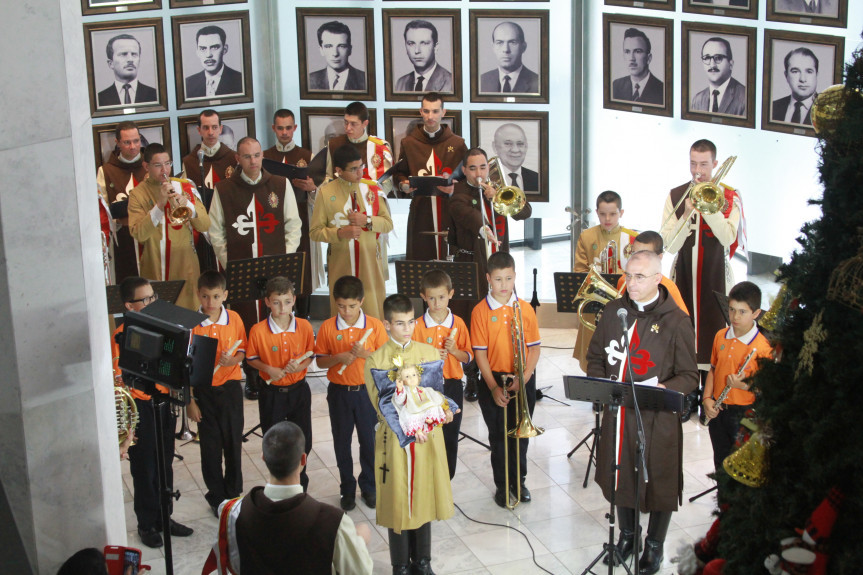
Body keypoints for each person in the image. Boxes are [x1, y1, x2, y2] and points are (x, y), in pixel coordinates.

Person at [587, 251, 698, 575]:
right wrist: (600, 382)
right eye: (627, 275)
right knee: (621, 475)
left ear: (657, 280)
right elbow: (595, 356)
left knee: (659, 480)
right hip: (619, 413)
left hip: (657, 418)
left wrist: (663, 390)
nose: (629, 283)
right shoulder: (612, 312)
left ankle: (653, 546)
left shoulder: (676, 321)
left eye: (638, 277)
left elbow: (690, 375)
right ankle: (629, 537)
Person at [364, 294, 455, 575]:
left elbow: (435, 393)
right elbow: (381, 407)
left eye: (410, 322)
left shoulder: (428, 354)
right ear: (386, 324)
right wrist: (410, 427)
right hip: (396, 440)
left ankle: (423, 562)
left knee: (424, 494)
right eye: (399, 323)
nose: (407, 329)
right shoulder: (375, 360)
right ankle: (400, 564)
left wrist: (441, 410)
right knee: (399, 498)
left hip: (427, 440)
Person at [209, 421, 373, 575]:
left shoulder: (233, 512)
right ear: (303, 459)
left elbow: (235, 565)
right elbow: (360, 571)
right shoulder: (334, 523)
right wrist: (359, 541)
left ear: (263, 457)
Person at [209, 136, 303, 398]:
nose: (253, 161)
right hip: (241, 268)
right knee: (248, 319)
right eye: (247, 156)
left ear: (263, 156)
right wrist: (231, 265)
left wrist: (284, 260)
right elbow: (215, 231)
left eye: (257, 155)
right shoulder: (224, 189)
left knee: (275, 314)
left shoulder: (280, 184)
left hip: (275, 265)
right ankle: (252, 373)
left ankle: (277, 366)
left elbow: (293, 225)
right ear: (237, 159)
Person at [111, 277, 194, 548]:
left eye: (153, 297)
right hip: (139, 409)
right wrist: (129, 429)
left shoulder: (165, 330)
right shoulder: (120, 337)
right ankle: (146, 524)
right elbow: (119, 381)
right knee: (145, 468)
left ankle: (164, 516)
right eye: (144, 300)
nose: (151, 303)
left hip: (162, 402)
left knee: (165, 462)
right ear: (129, 306)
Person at [448, 148, 532, 401]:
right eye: (472, 168)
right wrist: (483, 225)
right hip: (472, 263)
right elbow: (464, 212)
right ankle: (472, 376)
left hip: (500, 265)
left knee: (506, 315)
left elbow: (524, 212)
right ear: (464, 170)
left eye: (482, 167)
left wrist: (497, 198)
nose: (478, 173)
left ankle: (509, 369)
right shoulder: (459, 193)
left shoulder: (497, 188)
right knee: (473, 319)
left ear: (488, 167)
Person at [660, 139, 742, 386]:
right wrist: (685, 214)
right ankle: (685, 393)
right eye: (693, 163)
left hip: (716, 276)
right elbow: (669, 245)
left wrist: (709, 208)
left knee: (715, 333)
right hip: (683, 274)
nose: (698, 171)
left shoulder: (729, 196)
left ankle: (710, 393)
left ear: (715, 164)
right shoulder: (675, 195)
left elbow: (728, 237)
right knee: (682, 331)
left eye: (704, 165)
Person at [471, 251, 541, 508]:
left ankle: (519, 481)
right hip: (494, 379)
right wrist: (492, 387)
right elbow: (479, 353)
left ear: (515, 277)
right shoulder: (480, 311)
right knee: (498, 436)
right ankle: (502, 485)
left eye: (508, 279)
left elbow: (534, 348)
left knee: (520, 434)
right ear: (488, 278)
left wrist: (523, 378)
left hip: (522, 378)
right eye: (498, 279)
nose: (503, 285)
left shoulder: (524, 309)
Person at [314, 276, 388, 512]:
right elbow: (320, 362)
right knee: (341, 442)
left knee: (369, 441)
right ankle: (347, 487)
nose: (347, 312)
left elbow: (387, 361)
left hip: (367, 392)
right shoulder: (327, 327)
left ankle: (369, 486)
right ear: (335, 302)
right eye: (342, 306)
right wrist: (338, 357)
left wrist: (366, 354)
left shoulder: (375, 326)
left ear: (362, 301)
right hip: (339, 393)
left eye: (352, 306)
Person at [245, 276, 315, 490]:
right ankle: (278, 483)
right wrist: (268, 369)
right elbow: (250, 358)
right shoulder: (258, 330)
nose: (282, 307)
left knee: (304, 439)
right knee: (273, 440)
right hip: (272, 393)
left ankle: (300, 482)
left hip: (298, 391)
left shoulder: (303, 326)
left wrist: (301, 366)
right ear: (267, 302)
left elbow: (311, 355)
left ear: (293, 300)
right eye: (276, 302)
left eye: (286, 301)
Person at [187, 271, 247, 517]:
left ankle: (234, 494)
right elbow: (186, 366)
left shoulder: (234, 319)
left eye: (215, 296)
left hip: (231, 389)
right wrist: (190, 401)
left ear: (225, 295)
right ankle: (216, 496)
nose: (210, 302)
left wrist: (233, 358)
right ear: (198, 295)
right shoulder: (191, 324)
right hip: (203, 393)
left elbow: (242, 350)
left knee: (233, 443)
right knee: (210, 449)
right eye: (205, 296)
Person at [311, 145, 393, 319]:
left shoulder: (372, 189)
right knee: (344, 309)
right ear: (339, 170)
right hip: (341, 261)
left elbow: (387, 224)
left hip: (369, 261)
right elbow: (315, 232)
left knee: (372, 309)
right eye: (354, 169)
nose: (360, 173)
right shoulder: (325, 193)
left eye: (361, 166)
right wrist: (339, 233)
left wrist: (367, 221)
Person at [127, 143, 210, 310]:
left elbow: (205, 225)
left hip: (186, 266)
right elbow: (139, 234)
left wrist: (188, 205)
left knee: (188, 319)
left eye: (168, 164)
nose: (164, 170)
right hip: (156, 266)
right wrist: (159, 205)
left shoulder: (185, 186)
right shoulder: (137, 194)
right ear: (146, 166)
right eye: (158, 165)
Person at [703, 281, 772, 472]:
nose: (735, 316)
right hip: (718, 410)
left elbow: (765, 390)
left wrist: (744, 386)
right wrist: (707, 398)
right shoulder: (720, 335)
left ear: (756, 313)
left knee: (739, 467)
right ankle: (722, 501)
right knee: (720, 464)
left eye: (742, 312)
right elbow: (713, 369)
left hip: (743, 414)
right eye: (732, 309)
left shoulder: (762, 347)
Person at [394, 92, 468, 261]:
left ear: (444, 112)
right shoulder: (409, 143)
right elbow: (400, 173)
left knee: (451, 260)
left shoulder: (457, 144)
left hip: (450, 209)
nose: (430, 116)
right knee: (422, 259)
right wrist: (403, 185)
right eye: (426, 111)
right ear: (421, 112)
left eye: (435, 111)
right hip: (422, 211)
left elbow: (466, 177)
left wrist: (455, 186)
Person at [413, 269, 472, 478]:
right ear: (423, 297)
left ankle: (447, 480)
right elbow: (409, 363)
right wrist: (429, 356)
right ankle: (427, 481)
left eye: (441, 297)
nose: (437, 303)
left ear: (451, 294)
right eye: (431, 298)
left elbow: (467, 358)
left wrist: (454, 350)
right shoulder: (417, 326)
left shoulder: (459, 324)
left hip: (452, 386)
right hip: (425, 388)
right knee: (426, 434)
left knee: (450, 435)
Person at [571, 190, 637, 370]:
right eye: (602, 214)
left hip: (622, 304)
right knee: (591, 351)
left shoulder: (631, 238)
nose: (607, 218)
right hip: (594, 304)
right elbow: (579, 270)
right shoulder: (587, 236)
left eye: (613, 214)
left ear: (621, 213)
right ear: (596, 212)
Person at [264, 109, 317, 317]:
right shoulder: (265, 156)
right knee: (275, 267)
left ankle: (303, 317)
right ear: (273, 129)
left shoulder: (307, 156)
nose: (284, 132)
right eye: (280, 128)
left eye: (288, 128)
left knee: (301, 268)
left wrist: (312, 187)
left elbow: (318, 190)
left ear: (295, 128)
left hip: (302, 216)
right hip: (272, 220)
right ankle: (275, 314)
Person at [97, 121, 148, 283]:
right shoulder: (105, 171)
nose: (133, 146)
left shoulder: (152, 166)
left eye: (136, 141)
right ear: (117, 143)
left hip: (151, 238)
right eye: (127, 142)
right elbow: (102, 212)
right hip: (121, 241)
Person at [614, 231, 689, 316]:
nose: (638, 260)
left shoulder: (668, 288)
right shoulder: (623, 281)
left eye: (646, 255)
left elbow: (682, 323)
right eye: (634, 254)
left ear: (659, 258)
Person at [181, 109, 238, 192]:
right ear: (199, 130)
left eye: (214, 127)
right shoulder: (188, 162)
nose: (210, 132)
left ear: (220, 129)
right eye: (206, 128)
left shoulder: (234, 158)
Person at [97, 34, 157, 107]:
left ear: (139, 61)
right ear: (111, 63)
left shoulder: (155, 95)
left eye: (134, 54)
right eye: (123, 54)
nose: (130, 59)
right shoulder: (99, 100)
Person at [690, 37, 746, 117]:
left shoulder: (745, 98)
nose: (712, 65)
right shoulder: (697, 100)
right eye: (707, 58)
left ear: (731, 64)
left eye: (718, 58)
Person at [479, 22, 540, 94]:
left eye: (513, 42)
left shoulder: (538, 83)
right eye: (499, 42)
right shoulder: (481, 81)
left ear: (523, 47)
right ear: (493, 47)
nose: (506, 49)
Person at [395, 20, 454, 93]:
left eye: (424, 43)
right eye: (411, 44)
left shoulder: (452, 82)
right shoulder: (400, 83)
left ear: (436, 47)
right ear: (405, 47)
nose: (417, 51)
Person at [185, 25, 243, 98]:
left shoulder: (241, 81)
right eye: (203, 49)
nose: (208, 55)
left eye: (214, 47)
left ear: (225, 49)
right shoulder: (187, 84)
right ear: (197, 52)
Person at [611, 28, 664, 105]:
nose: (631, 58)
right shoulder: (615, 86)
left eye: (638, 51)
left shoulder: (662, 90)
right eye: (627, 52)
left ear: (649, 58)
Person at [309, 21, 366, 91]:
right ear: (321, 50)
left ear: (350, 50)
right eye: (329, 46)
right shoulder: (309, 80)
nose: (335, 53)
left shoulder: (365, 79)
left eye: (341, 46)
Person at [772, 47, 819, 125]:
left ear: (816, 74)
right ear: (786, 75)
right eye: (795, 71)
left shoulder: (828, 111)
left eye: (809, 71)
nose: (802, 79)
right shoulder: (773, 107)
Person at [492, 123, 539, 192]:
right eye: (508, 143)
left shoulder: (536, 179)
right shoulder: (486, 178)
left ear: (526, 147)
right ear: (495, 147)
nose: (515, 150)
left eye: (520, 144)